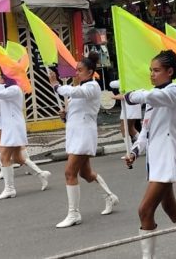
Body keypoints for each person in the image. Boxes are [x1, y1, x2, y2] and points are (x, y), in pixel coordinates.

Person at [123, 50, 176, 259]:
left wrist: (129, 96)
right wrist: (134, 151)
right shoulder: (154, 98)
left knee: (144, 210)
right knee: (170, 207)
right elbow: (145, 131)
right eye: (151, 70)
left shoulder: (174, 91)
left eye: (157, 70)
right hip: (155, 159)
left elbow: (149, 95)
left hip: (168, 158)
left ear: (170, 72)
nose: (152, 74)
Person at [48, 54, 119, 228]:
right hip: (74, 134)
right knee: (85, 174)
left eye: (80, 70)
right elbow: (75, 111)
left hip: (84, 135)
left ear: (90, 71)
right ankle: (110, 196)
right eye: (77, 70)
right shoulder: (78, 90)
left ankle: (74, 214)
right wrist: (64, 116)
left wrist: (55, 84)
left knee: (69, 172)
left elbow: (73, 92)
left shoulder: (93, 87)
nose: (77, 73)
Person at [0, 71, 50, 199]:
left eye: (0, 77)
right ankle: (41, 174)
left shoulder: (14, 89)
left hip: (13, 127)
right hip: (8, 126)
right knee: (18, 158)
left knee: (4, 157)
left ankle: (9, 189)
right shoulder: (4, 88)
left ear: (7, 78)